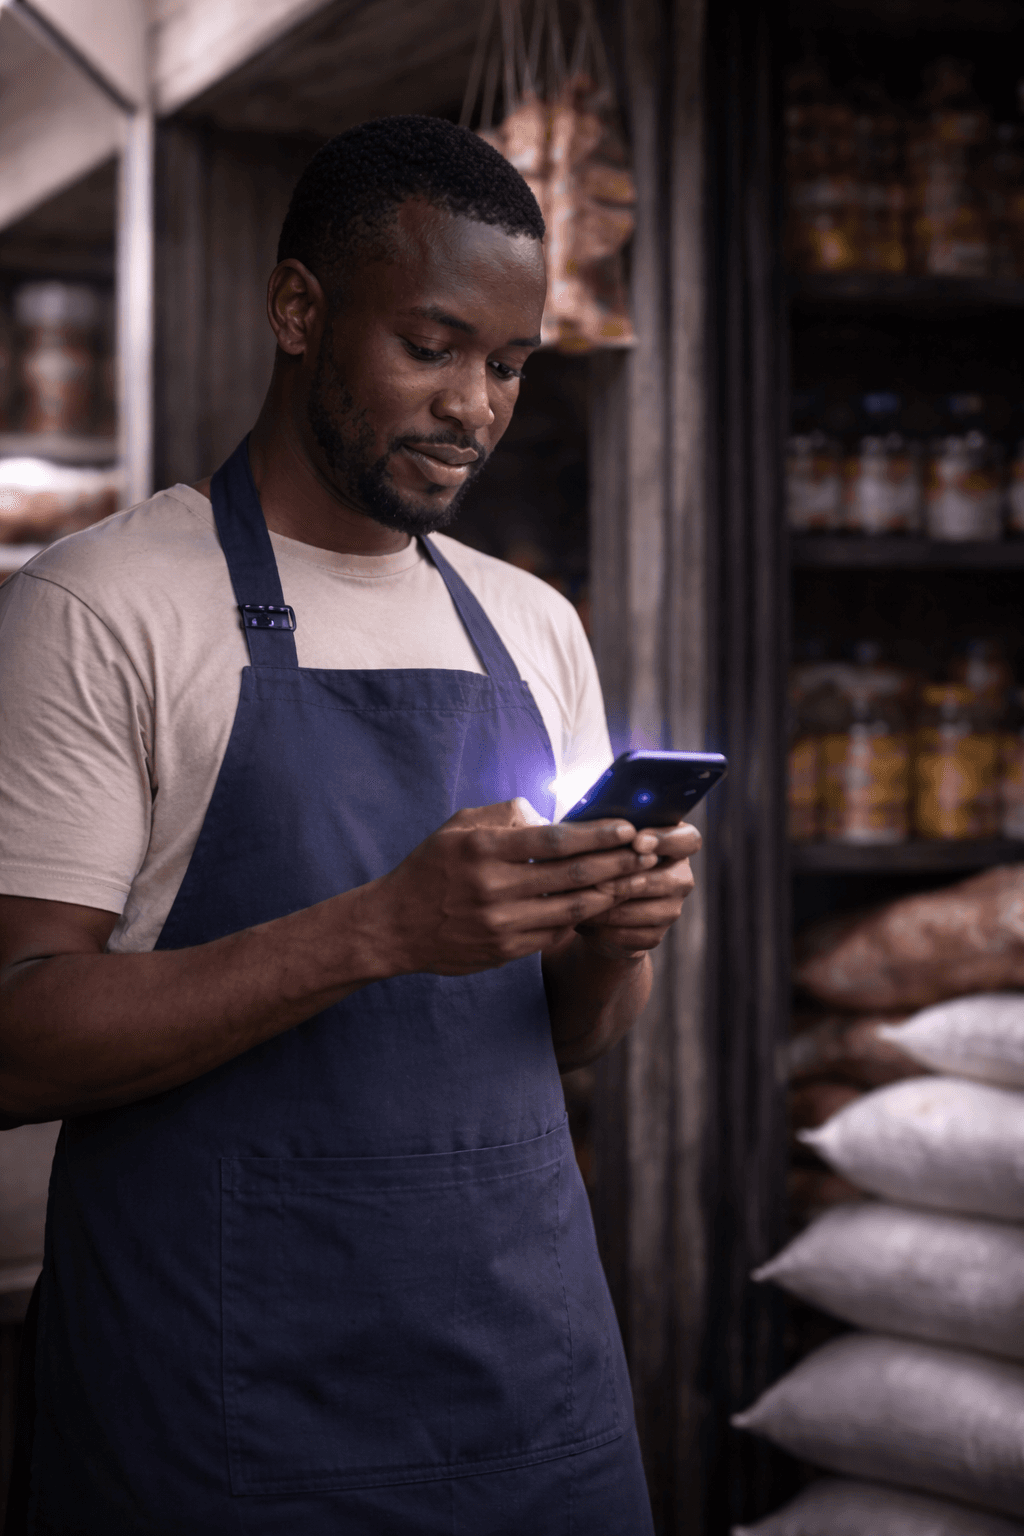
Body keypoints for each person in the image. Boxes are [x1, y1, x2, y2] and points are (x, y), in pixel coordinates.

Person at [0, 117, 700, 1534]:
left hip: (528, 1400)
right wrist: (379, 929)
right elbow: (16, 1038)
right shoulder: (102, 605)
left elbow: (576, 1037)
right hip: (221, 1417)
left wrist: (611, 940)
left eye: (508, 366)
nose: (474, 408)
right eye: (432, 348)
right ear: (299, 310)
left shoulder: (531, 624)